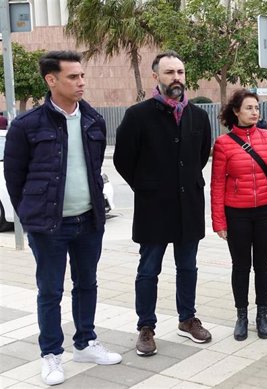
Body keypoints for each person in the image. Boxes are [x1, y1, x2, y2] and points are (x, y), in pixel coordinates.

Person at [4, 51, 122, 386]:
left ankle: (85, 342)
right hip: (49, 226)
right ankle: (51, 354)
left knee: (87, 284)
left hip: (88, 220)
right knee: (50, 290)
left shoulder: (93, 120)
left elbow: (94, 167)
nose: (81, 82)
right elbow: (15, 179)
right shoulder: (27, 125)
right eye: (73, 77)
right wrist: (31, 214)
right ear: (51, 80)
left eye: (82, 76)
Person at [114, 51, 213, 356]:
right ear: (155, 77)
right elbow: (122, 160)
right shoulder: (138, 115)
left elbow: (200, 156)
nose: (177, 78)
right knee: (148, 270)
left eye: (181, 72)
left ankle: (187, 319)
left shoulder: (198, 115)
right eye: (169, 72)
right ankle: (146, 326)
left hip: (189, 208)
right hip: (153, 208)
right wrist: (147, 187)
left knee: (188, 267)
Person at [211, 89, 267, 341]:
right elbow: (217, 186)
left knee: (263, 265)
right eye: (249, 108)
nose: (255, 112)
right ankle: (242, 316)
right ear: (236, 111)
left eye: (256, 107)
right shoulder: (223, 144)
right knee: (241, 266)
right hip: (237, 214)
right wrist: (219, 221)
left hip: (266, 211)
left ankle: (262, 315)